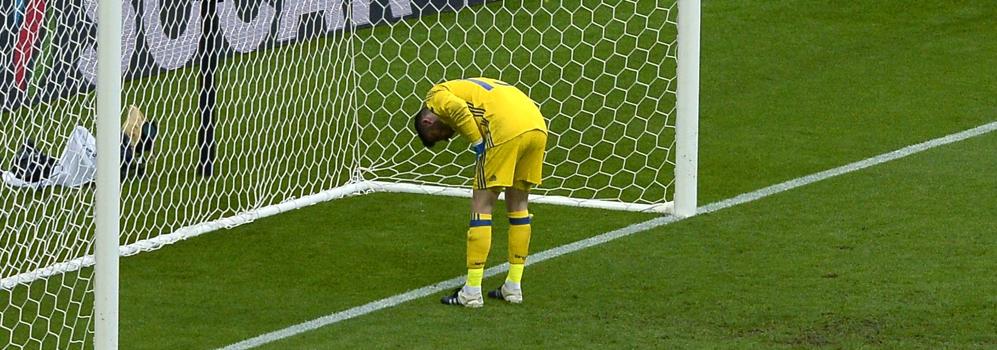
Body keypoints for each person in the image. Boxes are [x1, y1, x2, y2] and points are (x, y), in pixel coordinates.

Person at [412, 77, 548, 308]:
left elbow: (457, 109)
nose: (448, 137)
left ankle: (472, 292)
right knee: (519, 205)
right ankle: (513, 287)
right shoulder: (471, 86)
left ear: (428, 120)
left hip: (505, 128)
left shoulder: (436, 95)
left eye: (440, 135)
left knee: (481, 205)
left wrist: (478, 144)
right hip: (536, 126)